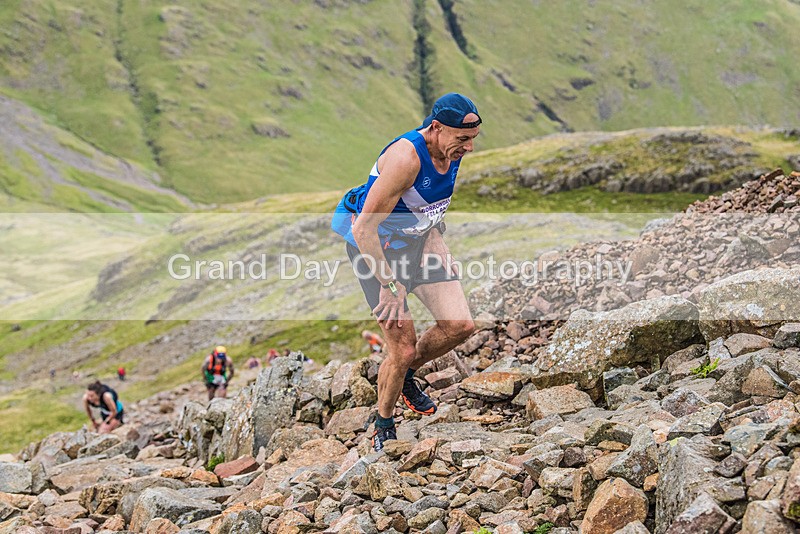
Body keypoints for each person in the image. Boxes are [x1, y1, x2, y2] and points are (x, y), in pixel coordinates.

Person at [331, 93, 479, 451]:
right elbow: (364, 227)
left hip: (415, 244)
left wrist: (436, 237)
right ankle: (382, 424)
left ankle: (407, 377)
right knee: (402, 347)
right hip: (375, 251)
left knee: (459, 325)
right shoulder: (405, 158)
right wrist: (389, 284)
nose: (469, 148)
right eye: (463, 139)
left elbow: (427, 205)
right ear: (436, 128)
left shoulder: (449, 150)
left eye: (474, 139)